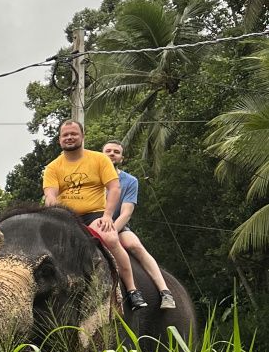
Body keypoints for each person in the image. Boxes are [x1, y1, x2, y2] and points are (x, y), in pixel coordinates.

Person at [41, 121, 148, 310]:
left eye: (73, 133)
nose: (69, 137)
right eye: (65, 135)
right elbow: (50, 195)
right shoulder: (52, 167)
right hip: (66, 217)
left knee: (110, 237)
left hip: (95, 215)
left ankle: (132, 290)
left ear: (82, 136)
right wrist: (54, 209)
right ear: (59, 140)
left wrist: (108, 216)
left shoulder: (99, 159)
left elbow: (114, 188)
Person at [101, 140, 176, 308]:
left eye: (116, 152)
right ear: (101, 155)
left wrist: (111, 232)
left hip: (116, 226)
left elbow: (126, 212)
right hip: (92, 224)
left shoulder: (130, 181)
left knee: (135, 245)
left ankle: (165, 292)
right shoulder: (92, 178)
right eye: (108, 151)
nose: (112, 154)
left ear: (121, 158)